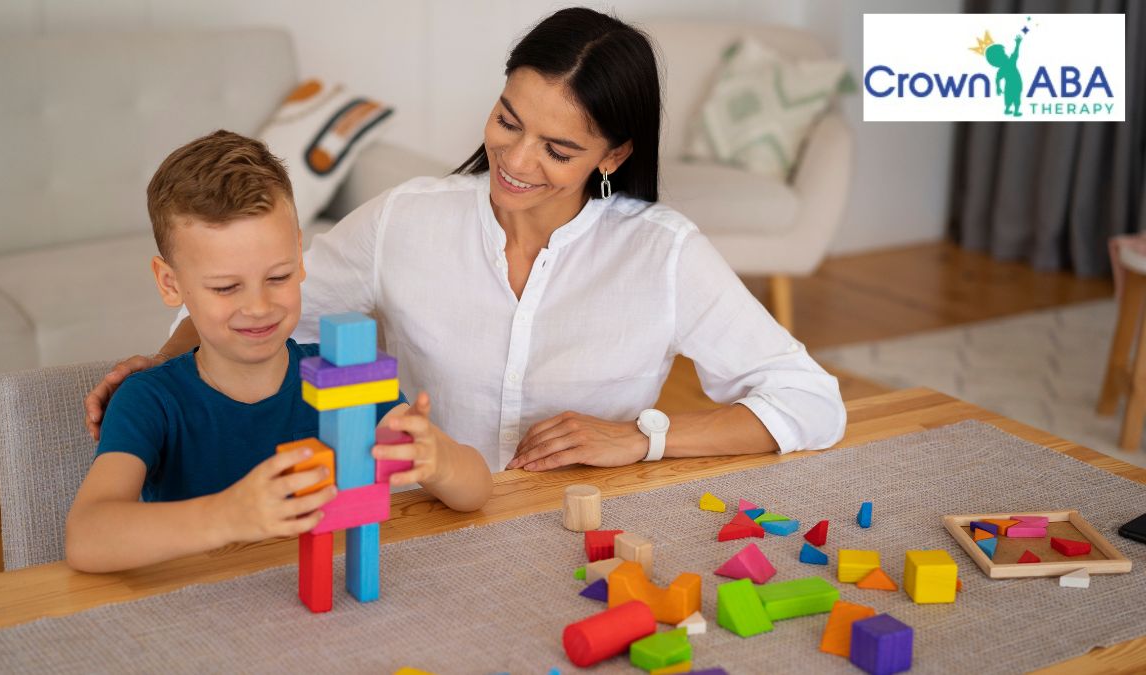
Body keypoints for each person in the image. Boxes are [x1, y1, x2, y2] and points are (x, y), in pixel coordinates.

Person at [84, 7, 846, 478]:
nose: (515, 162)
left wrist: (642, 438)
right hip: (425, 522)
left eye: (558, 149)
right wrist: (159, 366)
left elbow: (812, 401)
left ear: (612, 156)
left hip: (584, 528)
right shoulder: (408, 220)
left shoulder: (663, 254)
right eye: (509, 120)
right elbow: (270, 302)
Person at [66, 131, 492, 573]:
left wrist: (437, 460)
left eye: (278, 276)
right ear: (170, 283)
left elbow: (476, 490)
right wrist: (230, 515)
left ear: (300, 258)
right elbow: (86, 537)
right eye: (226, 287)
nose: (258, 306)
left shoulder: (344, 372)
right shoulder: (150, 400)